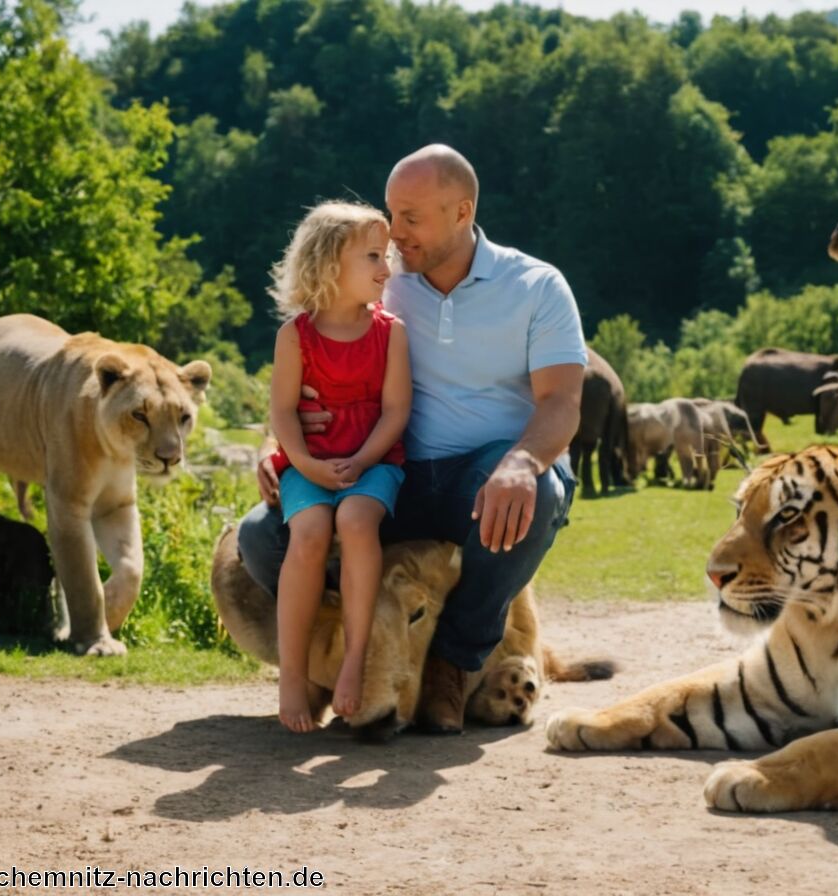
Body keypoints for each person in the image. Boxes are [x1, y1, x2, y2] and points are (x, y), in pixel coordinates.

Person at [238, 144, 586, 734]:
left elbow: (562, 402)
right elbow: (312, 364)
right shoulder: (377, 278)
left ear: (462, 211)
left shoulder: (536, 287)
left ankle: (453, 663)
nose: (395, 235)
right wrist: (288, 450)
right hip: (387, 475)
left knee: (541, 492)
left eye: (411, 218)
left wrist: (523, 462)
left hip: (481, 477)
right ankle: (339, 659)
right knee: (259, 540)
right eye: (391, 215)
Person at [265, 201, 412, 733]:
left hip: (374, 460)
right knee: (308, 533)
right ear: (329, 264)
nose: (385, 269)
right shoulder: (295, 336)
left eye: (387, 255)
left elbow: (397, 412)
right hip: (309, 461)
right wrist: (306, 464)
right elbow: (281, 411)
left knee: (354, 521)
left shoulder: (389, 332)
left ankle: (354, 665)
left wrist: (359, 462)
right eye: (373, 256)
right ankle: (292, 675)